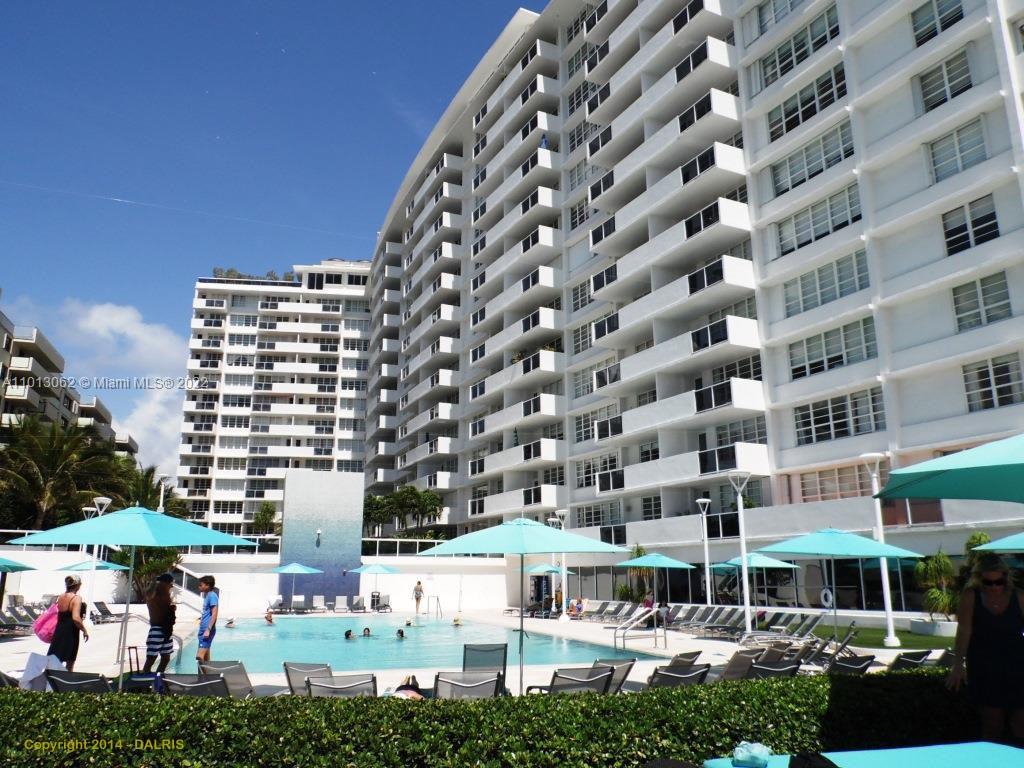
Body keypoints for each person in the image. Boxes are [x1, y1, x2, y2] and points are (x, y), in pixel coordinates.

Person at [947, 553, 1024, 742]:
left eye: (999, 582)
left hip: (1017, 664)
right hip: (984, 666)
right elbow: (964, 631)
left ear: (1006, 578)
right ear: (979, 579)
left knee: (1021, 724)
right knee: (992, 725)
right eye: (988, 583)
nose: (994, 587)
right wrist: (958, 664)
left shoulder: (1019, 597)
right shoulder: (971, 596)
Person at [47, 575, 88, 671]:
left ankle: (52, 679)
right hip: (71, 633)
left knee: (55, 660)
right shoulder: (76, 598)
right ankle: (67, 680)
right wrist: (84, 630)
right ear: (78, 585)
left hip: (59, 631)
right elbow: (76, 618)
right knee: (70, 662)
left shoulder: (60, 597)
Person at [142, 573, 175, 674]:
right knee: (152, 657)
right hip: (157, 628)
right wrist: (153, 582)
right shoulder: (154, 593)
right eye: (170, 584)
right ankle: (145, 677)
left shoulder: (166, 594)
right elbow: (148, 595)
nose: (171, 586)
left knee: (166, 657)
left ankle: (158, 678)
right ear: (164, 583)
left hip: (167, 629)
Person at [195, 575, 219, 665]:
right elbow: (207, 612)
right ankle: (208, 673)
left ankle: (202, 674)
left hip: (207, 630)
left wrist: (208, 629)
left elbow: (214, 613)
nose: (199, 587)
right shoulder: (208, 595)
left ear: (207, 585)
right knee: (205, 657)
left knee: (199, 656)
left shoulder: (212, 596)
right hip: (203, 629)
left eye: (201, 585)